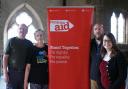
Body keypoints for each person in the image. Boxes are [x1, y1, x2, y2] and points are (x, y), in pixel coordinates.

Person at [3, 24, 33, 89]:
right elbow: (5, 58)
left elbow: (30, 61)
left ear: (27, 31)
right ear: (17, 30)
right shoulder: (11, 41)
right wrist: (5, 73)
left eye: (24, 29)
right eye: (20, 28)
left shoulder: (29, 43)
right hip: (12, 73)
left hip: (24, 74)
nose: (22, 30)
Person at [90, 23, 104, 89]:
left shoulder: (107, 42)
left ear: (102, 30)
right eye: (95, 29)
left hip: (104, 79)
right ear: (93, 31)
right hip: (93, 78)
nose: (97, 31)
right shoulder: (90, 43)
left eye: (99, 29)